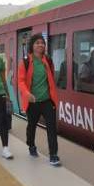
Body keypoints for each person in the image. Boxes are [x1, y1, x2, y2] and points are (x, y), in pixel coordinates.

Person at [18, 33, 60, 166]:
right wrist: (27, 94)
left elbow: (51, 78)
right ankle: (31, 145)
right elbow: (20, 81)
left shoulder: (48, 60)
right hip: (33, 101)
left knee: (52, 128)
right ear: (32, 45)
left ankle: (53, 154)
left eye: (42, 43)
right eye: (37, 43)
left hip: (47, 101)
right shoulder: (25, 61)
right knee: (31, 126)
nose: (40, 45)